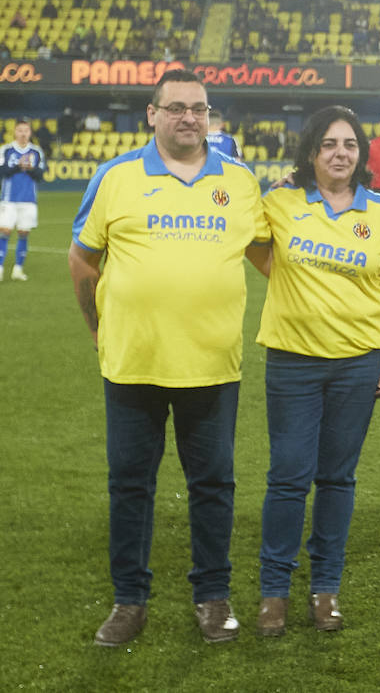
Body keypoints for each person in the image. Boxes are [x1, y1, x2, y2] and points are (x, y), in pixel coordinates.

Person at [68, 68, 269, 646]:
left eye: (200, 108)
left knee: (213, 485)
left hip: (212, 364)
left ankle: (212, 597)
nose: (190, 118)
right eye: (177, 107)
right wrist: (100, 332)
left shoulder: (239, 180)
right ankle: (129, 600)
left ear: (211, 115)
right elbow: (84, 262)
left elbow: (266, 256)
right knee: (130, 485)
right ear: (151, 114)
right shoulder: (117, 177)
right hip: (132, 364)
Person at [248, 106, 380, 636]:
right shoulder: (280, 201)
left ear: (361, 153)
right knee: (288, 477)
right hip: (292, 362)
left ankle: (326, 588)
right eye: (329, 144)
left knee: (338, 478)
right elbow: (255, 246)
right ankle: (274, 592)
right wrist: (287, 278)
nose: (340, 153)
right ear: (311, 152)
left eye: (349, 144)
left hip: (357, 365)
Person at [1, 119, 46, 281]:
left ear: (30, 133)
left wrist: (30, 168)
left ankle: (18, 269)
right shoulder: (6, 150)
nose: (23, 133)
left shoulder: (36, 152)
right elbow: (3, 172)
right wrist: (18, 166)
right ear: (14, 132)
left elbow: (40, 176)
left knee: (23, 233)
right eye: (20, 130)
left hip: (28, 200)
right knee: (4, 231)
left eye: (26, 130)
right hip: (9, 199)